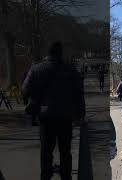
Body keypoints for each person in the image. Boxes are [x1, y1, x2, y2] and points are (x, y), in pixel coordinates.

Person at [22, 41, 85, 180]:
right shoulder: (70, 70)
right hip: (65, 116)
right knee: (65, 151)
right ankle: (66, 176)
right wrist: (81, 114)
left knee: (46, 151)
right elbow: (79, 94)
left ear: (47, 53)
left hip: (45, 117)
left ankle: (45, 176)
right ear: (61, 54)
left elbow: (24, 91)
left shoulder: (36, 69)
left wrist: (33, 98)